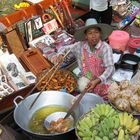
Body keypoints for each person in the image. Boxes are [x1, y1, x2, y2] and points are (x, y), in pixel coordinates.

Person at [52, 18, 115, 98]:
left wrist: (98, 80)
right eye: (90, 33)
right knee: (83, 88)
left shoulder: (105, 48)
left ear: (100, 33)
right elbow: (63, 48)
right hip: (87, 78)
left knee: (110, 95)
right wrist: (60, 54)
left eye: (96, 32)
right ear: (86, 36)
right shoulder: (80, 46)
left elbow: (110, 68)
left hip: (102, 79)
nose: (94, 36)